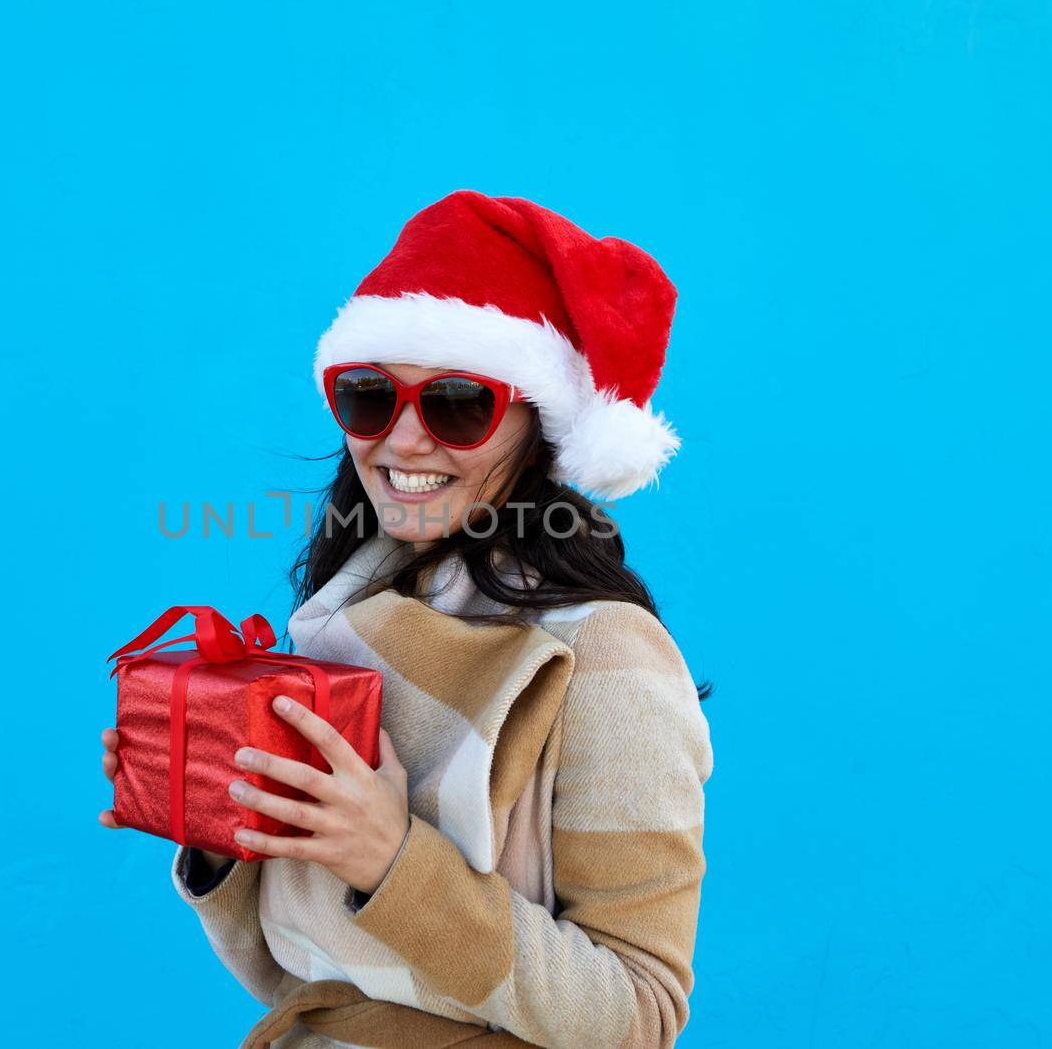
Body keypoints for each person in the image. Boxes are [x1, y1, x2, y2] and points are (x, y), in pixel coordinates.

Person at [101, 189, 714, 1047]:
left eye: (459, 403)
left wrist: (394, 862)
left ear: (537, 425)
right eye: (369, 396)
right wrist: (211, 815)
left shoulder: (605, 655)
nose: (404, 440)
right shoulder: (354, 622)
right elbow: (307, 977)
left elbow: (639, 1015)